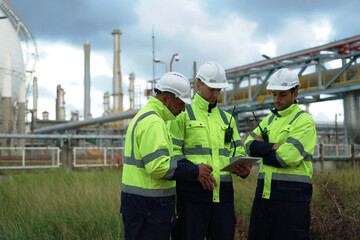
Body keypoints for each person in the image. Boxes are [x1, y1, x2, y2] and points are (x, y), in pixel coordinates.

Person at [120, 72, 214, 240]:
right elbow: (159, 167)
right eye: (180, 104)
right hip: (149, 208)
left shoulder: (146, 117)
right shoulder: (154, 123)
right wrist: (195, 171)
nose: (183, 109)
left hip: (142, 207)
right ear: (165, 100)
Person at [167, 61, 251, 240]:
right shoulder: (181, 113)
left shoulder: (227, 119)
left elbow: (237, 151)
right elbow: (172, 151)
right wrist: (195, 172)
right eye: (212, 89)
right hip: (191, 194)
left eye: (219, 89)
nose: (216, 94)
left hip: (223, 196)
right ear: (198, 85)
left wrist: (243, 167)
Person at [244, 68, 317, 240]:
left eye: (282, 94)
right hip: (264, 195)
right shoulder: (269, 120)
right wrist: (275, 146)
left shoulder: (304, 121)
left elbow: (285, 157)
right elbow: (248, 145)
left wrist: (264, 149)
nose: (277, 99)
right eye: (274, 94)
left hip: (293, 197)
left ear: (295, 93)